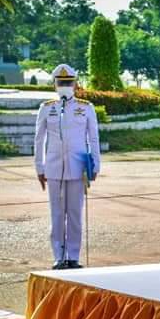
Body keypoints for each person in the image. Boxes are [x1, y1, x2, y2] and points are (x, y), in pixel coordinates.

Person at [33, 64, 101, 270]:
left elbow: (94, 138)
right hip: (54, 168)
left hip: (78, 168)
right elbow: (39, 140)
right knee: (56, 214)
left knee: (74, 214)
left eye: (68, 82)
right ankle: (58, 256)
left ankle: (73, 256)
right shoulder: (47, 108)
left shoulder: (86, 107)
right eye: (61, 82)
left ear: (75, 84)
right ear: (54, 85)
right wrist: (39, 168)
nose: (65, 86)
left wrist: (95, 164)